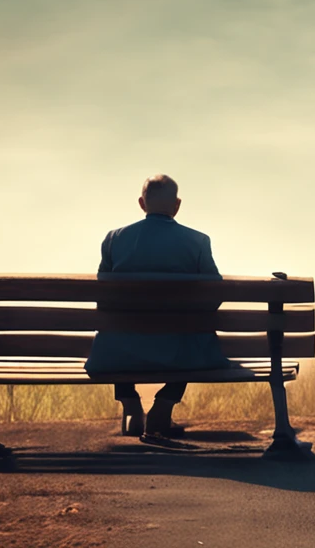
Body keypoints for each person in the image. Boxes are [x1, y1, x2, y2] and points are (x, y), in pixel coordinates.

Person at [83, 174, 227, 439]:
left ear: (142, 203)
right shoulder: (197, 241)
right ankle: (164, 403)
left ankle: (130, 403)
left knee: (115, 326)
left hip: (120, 351)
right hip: (182, 351)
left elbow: (103, 298)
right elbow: (213, 295)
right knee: (192, 330)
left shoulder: (114, 239)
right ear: (177, 204)